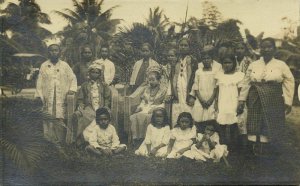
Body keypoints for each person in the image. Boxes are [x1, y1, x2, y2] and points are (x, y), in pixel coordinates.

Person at [238, 37, 295, 156]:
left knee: (271, 121)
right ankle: (254, 146)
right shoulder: (254, 64)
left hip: (273, 97)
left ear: (274, 49)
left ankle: (269, 148)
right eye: (264, 47)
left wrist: (288, 100)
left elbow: (289, 81)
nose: (266, 49)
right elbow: (246, 82)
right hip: (255, 96)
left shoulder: (281, 65)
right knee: (254, 120)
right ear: (260, 49)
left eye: (269, 47)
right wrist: (242, 100)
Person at [35, 44, 77, 144]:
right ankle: (49, 141)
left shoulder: (65, 65)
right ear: (48, 52)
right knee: (48, 116)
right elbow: (39, 82)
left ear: (59, 52)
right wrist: (39, 95)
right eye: (51, 50)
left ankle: (60, 141)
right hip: (48, 97)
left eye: (56, 50)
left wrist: (72, 89)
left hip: (61, 96)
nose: (54, 52)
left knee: (60, 116)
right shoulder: (44, 65)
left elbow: (73, 78)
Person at [74, 63, 112, 143]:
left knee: (102, 115)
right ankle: (85, 139)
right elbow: (80, 98)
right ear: (89, 73)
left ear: (99, 74)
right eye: (93, 72)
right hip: (89, 106)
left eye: (97, 73)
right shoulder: (85, 85)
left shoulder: (104, 85)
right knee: (87, 116)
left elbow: (107, 97)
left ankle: (100, 140)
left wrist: (106, 106)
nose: (94, 74)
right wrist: (81, 106)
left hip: (101, 106)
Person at [130, 66, 167, 145]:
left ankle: (147, 138)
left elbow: (163, 102)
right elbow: (144, 101)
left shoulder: (163, 90)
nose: (151, 82)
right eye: (150, 80)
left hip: (156, 108)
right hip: (146, 107)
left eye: (153, 80)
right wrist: (140, 107)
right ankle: (137, 138)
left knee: (149, 116)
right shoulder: (147, 89)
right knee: (135, 116)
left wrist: (156, 108)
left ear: (159, 80)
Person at [215, 54, 244, 150]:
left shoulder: (239, 75)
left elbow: (240, 91)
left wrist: (240, 103)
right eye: (225, 63)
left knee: (233, 123)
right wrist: (216, 102)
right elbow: (218, 90)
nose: (227, 65)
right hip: (223, 101)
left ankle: (234, 145)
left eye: (229, 62)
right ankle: (223, 144)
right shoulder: (220, 75)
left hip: (233, 101)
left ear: (234, 63)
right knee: (222, 123)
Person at [165, 38, 196, 127]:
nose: (183, 47)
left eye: (185, 45)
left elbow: (195, 79)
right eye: (181, 45)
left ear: (189, 47)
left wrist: (192, 95)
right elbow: (172, 79)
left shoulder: (193, 61)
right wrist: (170, 93)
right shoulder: (176, 61)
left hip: (188, 91)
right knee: (178, 112)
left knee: (189, 111)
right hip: (178, 91)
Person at [191, 46, 222, 131]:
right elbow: (196, 87)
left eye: (208, 58)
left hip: (211, 99)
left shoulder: (216, 71)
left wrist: (211, 100)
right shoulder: (198, 72)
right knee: (198, 118)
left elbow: (216, 87)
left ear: (211, 59)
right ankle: (199, 136)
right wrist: (201, 100)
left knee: (211, 119)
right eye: (204, 58)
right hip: (200, 99)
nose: (206, 60)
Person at [234, 42, 253, 150]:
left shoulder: (249, 61)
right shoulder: (233, 60)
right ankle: (235, 143)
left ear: (245, 50)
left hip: (245, 92)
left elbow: (249, 79)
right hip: (233, 91)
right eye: (237, 48)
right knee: (235, 117)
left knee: (244, 118)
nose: (239, 50)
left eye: (241, 48)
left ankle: (245, 145)